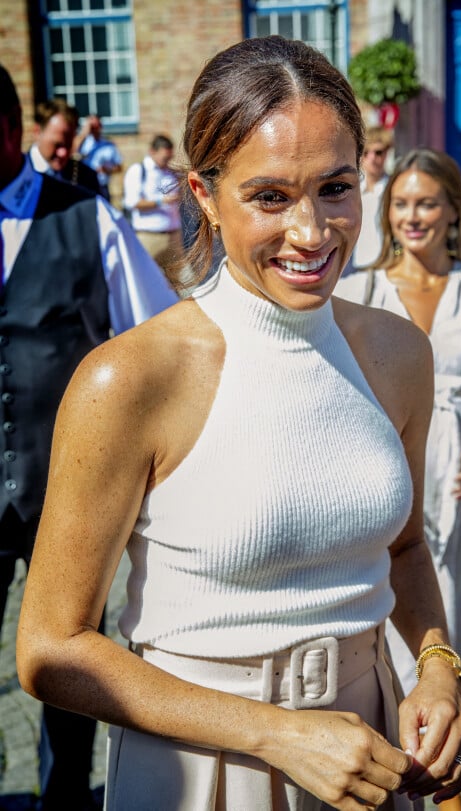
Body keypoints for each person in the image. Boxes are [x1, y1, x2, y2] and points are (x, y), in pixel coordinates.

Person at [16, 37, 461, 811]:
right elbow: (50, 648)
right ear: (204, 193)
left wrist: (436, 664)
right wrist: (275, 732)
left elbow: (402, 546)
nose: (312, 232)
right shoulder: (129, 377)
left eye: (335, 188)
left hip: (368, 745)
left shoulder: (400, 352)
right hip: (199, 766)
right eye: (270, 197)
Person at [336, 147, 461, 811]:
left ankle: (434, 778)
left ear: (455, 209)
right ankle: (439, 800)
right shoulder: (357, 291)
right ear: (386, 213)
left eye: (427, 202)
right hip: (377, 504)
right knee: (388, 657)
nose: (412, 215)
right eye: (401, 203)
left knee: (450, 655)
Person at [0, 64, 178, 811]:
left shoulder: (86, 217)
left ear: (8, 130)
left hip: (66, 495)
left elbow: (159, 338)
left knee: (70, 665)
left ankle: (65, 801)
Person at [123, 134, 183, 276]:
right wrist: (161, 201)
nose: (167, 161)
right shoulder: (138, 171)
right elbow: (132, 203)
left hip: (173, 236)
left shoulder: (171, 172)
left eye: (169, 157)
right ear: (152, 152)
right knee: (146, 281)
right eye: (164, 158)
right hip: (149, 237)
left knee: (177, 284)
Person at [29, 98, 101, 194]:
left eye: (68, 145)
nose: (63, 153)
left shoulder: (86, 177)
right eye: (57, 145)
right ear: (37, 132)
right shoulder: (16, 173)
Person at [350, 125, 394, 270]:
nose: (372, 158)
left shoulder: (394, 190)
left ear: (387, 153)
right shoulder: (349, 190)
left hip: (385, 266)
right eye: (366, 152)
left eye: (378, 152)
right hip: (353, 266)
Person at [73, 113, 123, 201]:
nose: (94, 129)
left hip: (102, 185)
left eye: (96, 125)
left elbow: (119, 167)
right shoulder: (82, 142)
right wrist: (84, 133)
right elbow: (72, 151)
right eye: (92, 126)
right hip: (84, 184)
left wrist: (107, 169)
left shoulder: (108, 145)